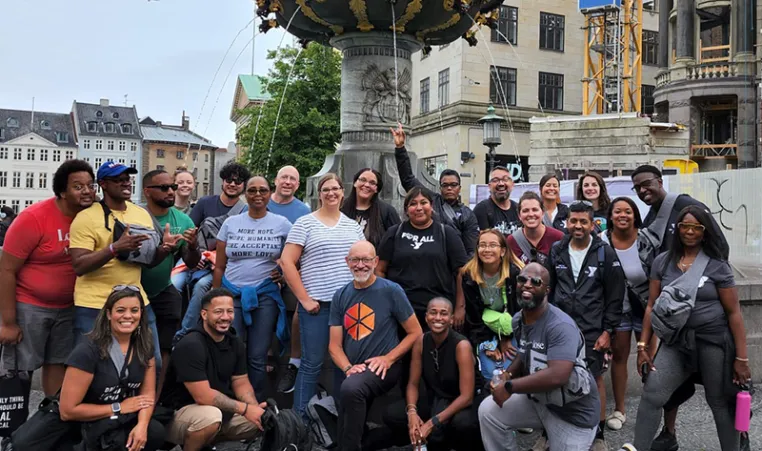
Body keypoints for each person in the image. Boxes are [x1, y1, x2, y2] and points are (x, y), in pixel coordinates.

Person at [633, 206, 751, 451]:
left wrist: (741, 358)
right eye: (684, 226)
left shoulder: (717, 265)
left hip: (713, 341)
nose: (689, 231)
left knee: (719, 402)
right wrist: (643, 345)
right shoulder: (663, 261)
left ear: (705, 232)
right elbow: (651, 306)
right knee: (652, 394)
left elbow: (734, 313)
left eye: (696, 227)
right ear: (676, 229)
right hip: (676, 342)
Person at [630, 164, 729, 450]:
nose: (642, 190)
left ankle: (740, 436)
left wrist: (700, 281)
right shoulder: (649, 216)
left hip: (706, 320)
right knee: (661, 388)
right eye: (637, 187)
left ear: (660, 181)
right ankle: (668, 433)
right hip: (672, 323)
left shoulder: (686, 205)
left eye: (646, 183)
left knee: (722, 396)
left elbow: (720, 248)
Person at [478, 263, 600, 451]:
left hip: (572, 414)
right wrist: (507, 375)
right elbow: (524, 352)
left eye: (535, 282)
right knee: (488, 412)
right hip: (540, 401)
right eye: (522, 279)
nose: (527, 284)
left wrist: (509, 387)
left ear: (547, 290)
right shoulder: (518, 320)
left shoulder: (560, 326)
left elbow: (558, 375)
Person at [0, 160, 95, 396]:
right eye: (78, 186)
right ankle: (15, 427)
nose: (87, 191)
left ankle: (50, 422)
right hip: (30, 306)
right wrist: (8, 323)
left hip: (69, 307)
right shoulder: (33, 218)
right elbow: (6, 270)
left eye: (90, 185)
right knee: (20, 369)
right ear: (62, 191)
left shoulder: (92, 217)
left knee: (59, 363)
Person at [69, 162, 176, 367]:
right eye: (118, 180)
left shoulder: (141, 214)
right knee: (89, 366)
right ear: (103, 184)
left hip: (135, 300)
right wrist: (114, 249)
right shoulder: (86, 217)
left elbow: (148, 262)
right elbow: (79, 265)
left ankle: (144, 400)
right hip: (95, 304)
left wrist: (164, 250)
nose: (126, 183)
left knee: (151, 363)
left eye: (128, 179)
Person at [280, 173, 365, 420]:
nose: (331, 193)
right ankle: (299, 423)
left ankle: (342, 420)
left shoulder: (352, 225)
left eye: (335, 188)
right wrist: (305, 300)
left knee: (345, 366)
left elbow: (363, 261)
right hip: (318, 307)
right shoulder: (305, 223)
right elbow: (287, 262)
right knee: (311, 364)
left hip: (349, 307)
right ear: (319, 194)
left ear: (342, 191)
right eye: (325, 189)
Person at [545, 200, 624, 451]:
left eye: (583, 221)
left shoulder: (604, 252)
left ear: (592, 224)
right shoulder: (556, 250)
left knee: (594, 380)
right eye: (573, 221)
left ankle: (598, 435)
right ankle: (548, 434)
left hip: (592, 330)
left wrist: (607, 331)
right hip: (560, 328)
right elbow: (549, 288)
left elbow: (615, 296)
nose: (577, 226)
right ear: (567, 222)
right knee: (552, 380)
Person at [328, 241, 422, 451]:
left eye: (366, 260)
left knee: (351, 388)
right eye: (355, 260)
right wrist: (347, 368)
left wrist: (388, 358)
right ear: (347, 262)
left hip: (385, 367)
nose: (360, 265)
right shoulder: (340, 295)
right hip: (354, 368)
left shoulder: (391, 290)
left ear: (376, 262)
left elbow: (415, 332)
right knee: (348, 392)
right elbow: (334, 346)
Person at [212, 175, 292, 399]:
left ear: (270, 193)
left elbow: (296, 259)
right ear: (245, 194)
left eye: (263, 190)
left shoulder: (282, 224)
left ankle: (257, 404)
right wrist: (215, 299)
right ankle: (227, 401)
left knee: (257, 355)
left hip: (265, 295)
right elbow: (219, 266)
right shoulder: (231, 223)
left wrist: (284, 276)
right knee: (229, 350)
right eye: (252, 190)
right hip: (231, 294)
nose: (258, 195)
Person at [59, 286, 165, 451]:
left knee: (154, 432)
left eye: (134, 310)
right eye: (121, 310)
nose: (128, 316)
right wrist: (118, 407)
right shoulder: (86, 351)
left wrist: (142, 426)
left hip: (119, 417)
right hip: (87, 422)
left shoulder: (145, 344)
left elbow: (147, 394)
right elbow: (67, 411)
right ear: (109, 314)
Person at [159, 288, 267, 451]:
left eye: (229, 311)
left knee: (264, 419)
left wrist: (254, 408)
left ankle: (205, 443)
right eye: (218, 312)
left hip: (217, 412)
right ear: (204, 314)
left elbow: (241, 382)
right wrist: (245, 409)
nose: (225, 317)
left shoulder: (234, 342)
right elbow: (203, 396)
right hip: (178, 414)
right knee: (210, 417)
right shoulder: (191, 344)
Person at [376, 297, 483, 451]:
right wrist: (412, 412)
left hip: (461, 403)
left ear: (451, 319)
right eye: (433, 313)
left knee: (461, 424)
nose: (438, 318)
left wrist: (432, 422)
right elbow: (413, 384)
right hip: (437, 399)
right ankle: (419, 438)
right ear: (426, 317)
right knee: (392, 414)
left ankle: (446, 442)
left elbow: (466, 397)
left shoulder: (461, 346)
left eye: (443, 314)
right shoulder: (421, 341)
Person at [176, 162, 251, 344]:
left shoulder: (246, 210)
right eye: (229, 180)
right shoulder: (205, 203)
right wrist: (199, 254)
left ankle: (184, 334)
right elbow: (190, 232)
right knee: (173, 283)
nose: (233, 184)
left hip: (225, 264)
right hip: (199, 257)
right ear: (223, 181)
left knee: (202, 285)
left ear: (243, 185)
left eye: (238, 181)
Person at [141, 169, 201, 393]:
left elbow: (191, 262)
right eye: (164, 188)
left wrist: (193, 246)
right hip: (136, 290)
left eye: (172, 188)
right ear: (147, 191)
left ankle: (156, 398)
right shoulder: (138, 216)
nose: (170, 192)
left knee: (165, 347)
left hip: (164, 289)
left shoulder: (182, 219)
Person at [377, 187, 469, 331]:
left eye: (423, 202)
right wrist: (384, 302)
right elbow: (380, 270)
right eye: (413, 204)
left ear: (431, 206)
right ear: (407, 209)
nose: (419, 208)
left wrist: (459, 308)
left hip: (437, 310)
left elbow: (461, 273)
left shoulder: (447, 233)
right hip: (401, 309)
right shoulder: (394, 233)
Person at [600, 197, 654, 431]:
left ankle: (651, 407)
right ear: (610, 216)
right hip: (618, 308)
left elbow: (658, 275)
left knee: (651, 361)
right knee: (620, 358)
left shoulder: (647, 239)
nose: (623, 215)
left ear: (635, 215)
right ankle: (619, 410)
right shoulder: (601, 241)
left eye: (628, 211)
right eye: (618, 211)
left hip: (647, 307)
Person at [391, 123, 479, 256]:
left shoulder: (467, 215)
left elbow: (471, 249)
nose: (449, 188)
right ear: (440, 187)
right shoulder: (430, 200)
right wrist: (400, 148)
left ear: (459, 188)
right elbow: (408, 179)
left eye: (453, 185)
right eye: (445, 185)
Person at [268, 166, 311, 395]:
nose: (287, 181)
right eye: (284, 177)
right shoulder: (261, 202)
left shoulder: (303, 211)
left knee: (300, 303)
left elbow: (304, 251)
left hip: (289, 272)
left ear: (298, 184)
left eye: (293, 179)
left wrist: (286, 275)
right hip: (259, 271)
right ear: (275, 180)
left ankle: (289, 362)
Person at [461, 229, 522, 380]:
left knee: (510, 369)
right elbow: (473, 316)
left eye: (492, 245)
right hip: (483, 328)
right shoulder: (469, 276)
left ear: (502, 251)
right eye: (482, 245)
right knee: (490, 371)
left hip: (512, 327)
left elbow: (520, 311)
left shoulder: (515, 274)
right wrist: (488, 344)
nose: (487, 249)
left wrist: (506, 338)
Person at [340, 167, 401, 248]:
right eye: (363, 180)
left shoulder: (387, 211)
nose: (366, 185)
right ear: (355, 183)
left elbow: (399, 241)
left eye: (372, 183)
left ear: (376, 189)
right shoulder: (340, 209)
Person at [507, 191, 564, 266]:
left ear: (543, 213)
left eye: (535, 210)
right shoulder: (512, 241)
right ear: (519, 215)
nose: (531, 214)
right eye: (525, 211)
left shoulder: (558, 238)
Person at [472, 166, 521, 236]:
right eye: (495, 180)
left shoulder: (518, 209)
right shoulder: (481, 210)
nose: (501, 183)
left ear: (512, 184)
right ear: (489, 186)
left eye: (505, 179)